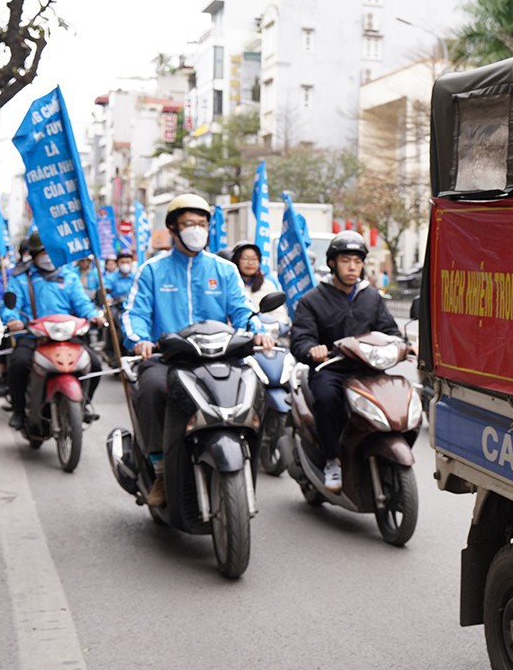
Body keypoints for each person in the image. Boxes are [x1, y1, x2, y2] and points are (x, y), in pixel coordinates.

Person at [123, 195, 275, 507]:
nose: (197, 230)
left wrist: (259, 332)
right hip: (168, 359)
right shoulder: (152, 270)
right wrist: (140, 338)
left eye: (202, 224)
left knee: (259, 387)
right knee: (151, 388)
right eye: (189, 224)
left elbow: (242, 310)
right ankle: (160, 468)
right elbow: (134, 314)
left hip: (220, 357)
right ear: (173, 229)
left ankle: (247, 458)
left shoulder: (225, 270)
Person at [290, 230, 406, 491]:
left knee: (396, 395)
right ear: (332, 263)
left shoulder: (372, 297)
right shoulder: (312, 300)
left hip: (368, 369)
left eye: (357, 261)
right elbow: (300, 339)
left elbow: (390, 332)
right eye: (345, 260)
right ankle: (332, 459)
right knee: (326, 399)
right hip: (331, 369)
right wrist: (313, 350)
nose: (352, 267)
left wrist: (403, 346)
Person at [0, 233, 104, 430]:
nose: (48, 256)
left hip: (67, 336)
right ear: (34, 254)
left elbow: (82, 303)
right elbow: (10, 305)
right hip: (33, 336)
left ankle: (84, 403)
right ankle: (19, 411)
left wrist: (93, 315)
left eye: (51, 251)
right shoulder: (21, 278)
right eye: (43, 252)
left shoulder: (69, 276)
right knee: (19, 363)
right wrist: (12, 319)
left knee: (95, 364)